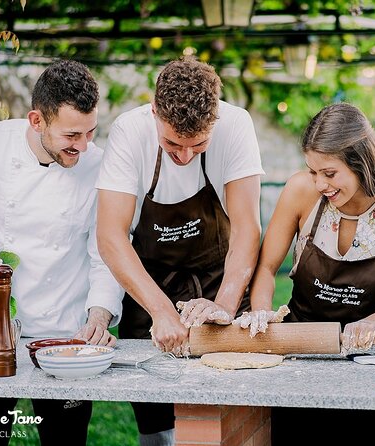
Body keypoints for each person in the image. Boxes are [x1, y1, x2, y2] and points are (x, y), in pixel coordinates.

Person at [0, 59, 123, 446]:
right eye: (71, 135)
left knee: (65, 441)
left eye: (90, 132)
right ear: (36, 121)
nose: (82, 146)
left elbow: (105, 250)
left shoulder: (98, 166)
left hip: (68, 336)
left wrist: (100, 312)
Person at [234, 103, 375, 444]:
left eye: (330, 173)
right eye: (313, 172)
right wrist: (263, 311)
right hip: (296, 353)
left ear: (361, 162)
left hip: (365, 362)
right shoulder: (300, 191)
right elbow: (266, 268)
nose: (319, 183)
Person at [95, 57, 264, 445]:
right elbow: (111, 236)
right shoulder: (129, 132)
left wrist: (222, 305)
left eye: (198, 144)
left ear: (215, 121)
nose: (185, 156)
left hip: (218, 281)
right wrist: (161, 311)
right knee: (156, 427)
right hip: (149, 285)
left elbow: (246, 228)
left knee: (222, 418)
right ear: (154, 112)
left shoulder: (237, 125)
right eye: (172, 143)